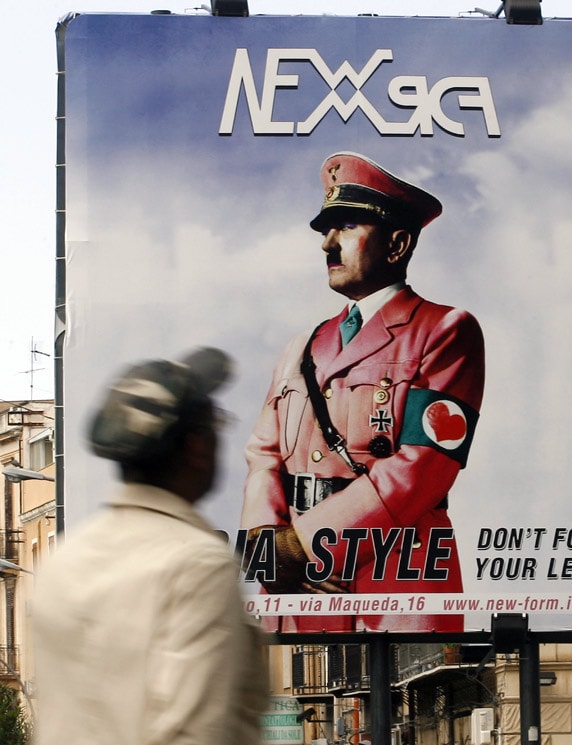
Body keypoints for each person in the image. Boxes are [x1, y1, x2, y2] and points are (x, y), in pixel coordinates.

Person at [241, 152, 485, 633]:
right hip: (301, 590)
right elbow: (263, 456)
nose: (328, 245)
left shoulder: (444, 331)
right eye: (327, 231)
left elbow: (423, 467)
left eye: (348, 226)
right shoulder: (302, 347)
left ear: (397, 243)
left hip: (395, 584)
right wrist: (269, 549)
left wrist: (308, 545)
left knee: (410, 709)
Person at [32, 348, 269, 745]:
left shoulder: (66, 558)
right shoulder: (197, 564)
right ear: (196, 446)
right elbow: (195, 734)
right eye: (217, 424)